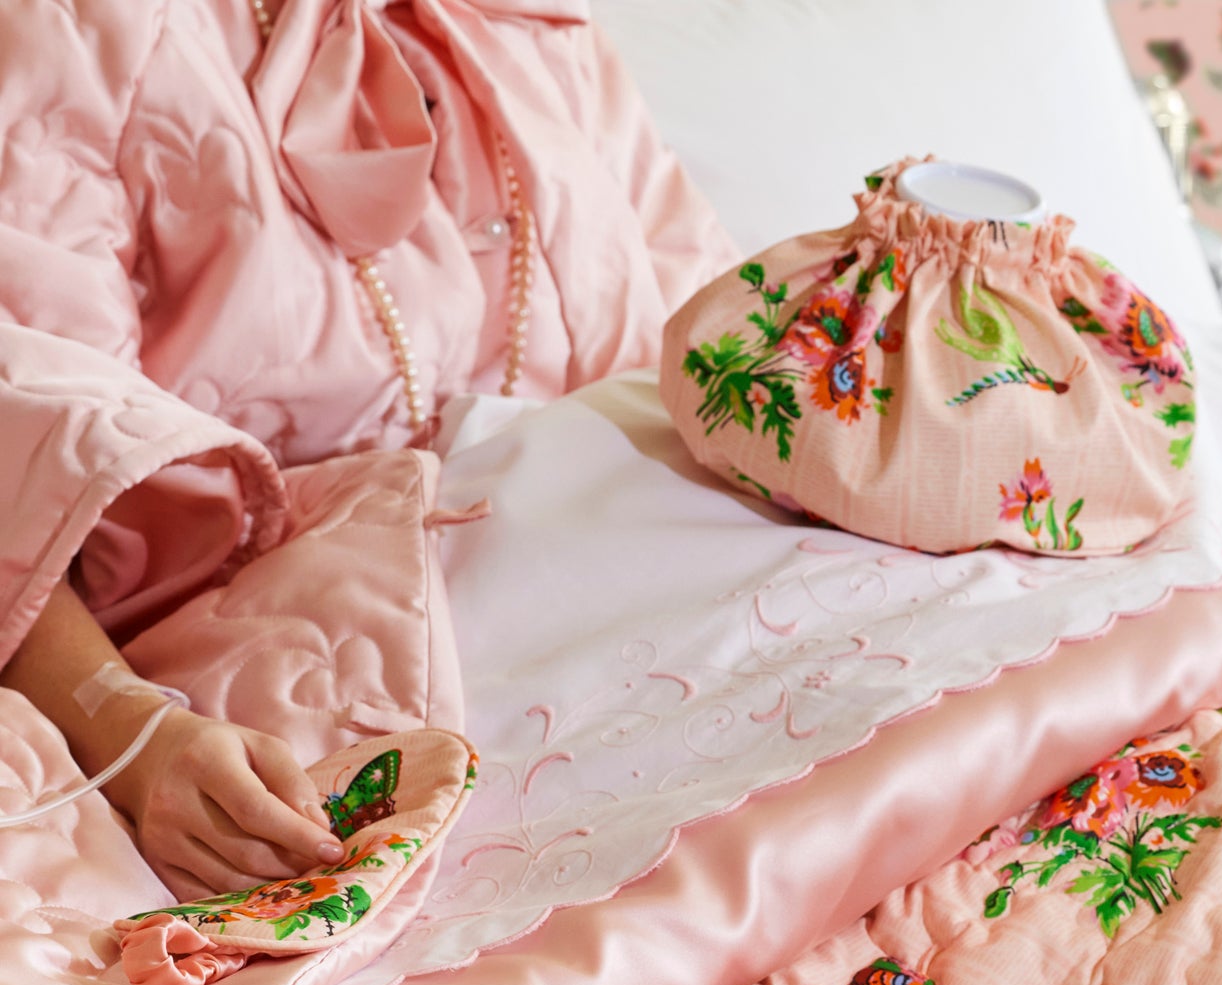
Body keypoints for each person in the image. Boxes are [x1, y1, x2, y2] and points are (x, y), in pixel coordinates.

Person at [0, 0, 733, 894]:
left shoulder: (536, 33)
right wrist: (134, 733)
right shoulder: (80, 32)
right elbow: (26, 458)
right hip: (300, 698)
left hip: (654, 626)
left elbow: (717, 364)